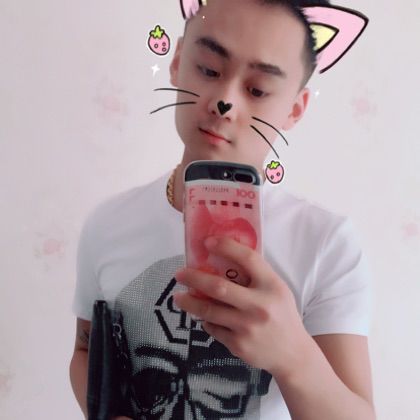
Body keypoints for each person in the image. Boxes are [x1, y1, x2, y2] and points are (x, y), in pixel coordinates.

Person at [69, 0, 376, 418]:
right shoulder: (106, 225)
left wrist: (293, 356)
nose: (225, 101)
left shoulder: (326, 244)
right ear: (177, 62)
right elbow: (87, 352)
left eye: (258, 90)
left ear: (294, 109)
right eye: (210, 70)